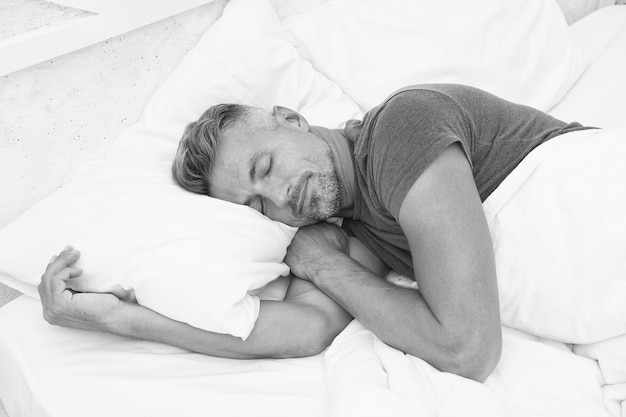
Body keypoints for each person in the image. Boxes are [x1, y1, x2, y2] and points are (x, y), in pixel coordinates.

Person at [38, 84, 593, 382]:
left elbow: (468, 350)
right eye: (257, 204)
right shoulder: (344, 227)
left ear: (290, 118)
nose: (280, 200)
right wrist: (124, 319)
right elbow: (302, 329)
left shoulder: (402, 128)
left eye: (264, 169)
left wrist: (325, 266)